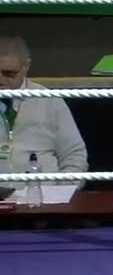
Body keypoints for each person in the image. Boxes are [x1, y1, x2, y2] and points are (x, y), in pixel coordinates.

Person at [0, 35, 88, 180]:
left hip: (42, 190)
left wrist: (65, 189)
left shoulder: (48, 100)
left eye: (9, 74)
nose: (1, 80)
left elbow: (74, 155)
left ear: (26, 66)